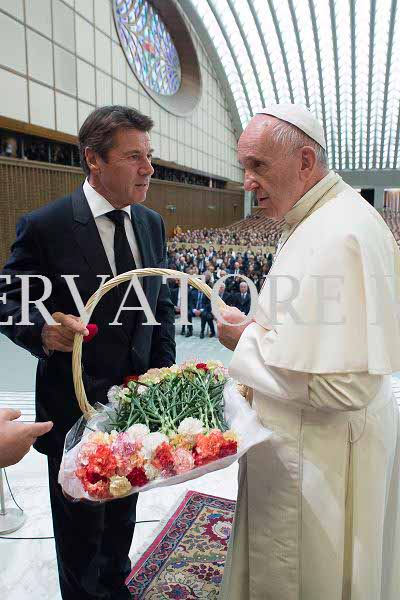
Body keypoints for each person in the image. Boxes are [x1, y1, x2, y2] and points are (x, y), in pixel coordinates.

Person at [218, 103, 400, 600]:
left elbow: (345, 384)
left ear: (304, 161)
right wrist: (262, 325)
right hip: (305, 445)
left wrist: (246, 341)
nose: (247, 183)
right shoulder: (317, 216)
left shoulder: (341, 232)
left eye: (258, 165)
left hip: (321, 459)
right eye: (244, 167)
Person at [0, 105, 175, 600]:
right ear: (93, 160)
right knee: (80, 539)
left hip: (135, 409)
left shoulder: (151, 223)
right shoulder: (46, 225)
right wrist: (42, 330)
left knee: (122, 520)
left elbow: (159, 304)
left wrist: (162, 381)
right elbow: (8, 299)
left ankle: (118, 587)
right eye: (134, 157)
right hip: (73, 408)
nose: (148, 169)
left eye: (150, 157)